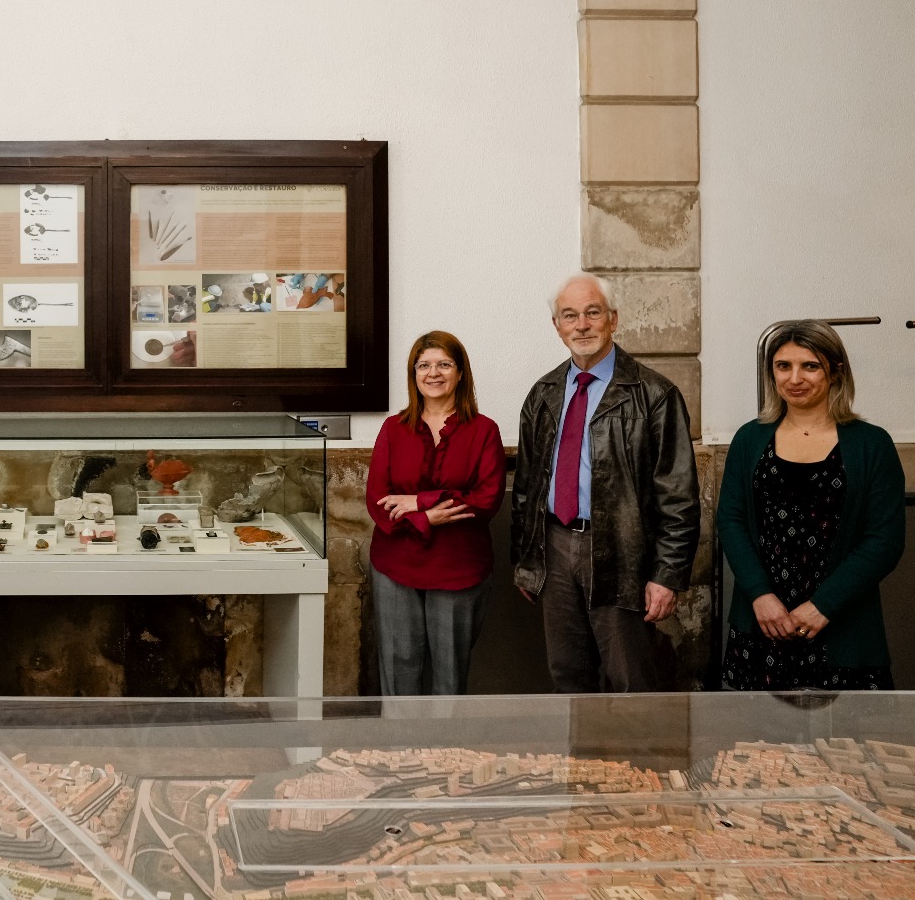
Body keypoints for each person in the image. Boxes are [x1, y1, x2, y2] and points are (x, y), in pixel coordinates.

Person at [510, 274, 699, 693]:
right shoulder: (542, 394)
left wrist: (667, 575)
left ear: (613, 319)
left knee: (629, 679)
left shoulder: (655, 394)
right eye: (570, 316)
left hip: (622, 553)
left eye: (592, 312)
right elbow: (526, 486)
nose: (582, 325)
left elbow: (679, 496)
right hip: (555, 550)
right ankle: (579, 762)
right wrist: (527, 563)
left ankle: (635, 761)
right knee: (567, 675)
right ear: (556, 326)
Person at [720, 321, 905, 690]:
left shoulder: (872, 444)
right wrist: (760, 594)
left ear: (836, 372)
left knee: (845, 745)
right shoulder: (749, 438)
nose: (795, 378)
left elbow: (884, 539)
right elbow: (731, 520)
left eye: (810, 365)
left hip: (842, 624)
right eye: (783, 366)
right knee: (758, 744)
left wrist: (824, 605)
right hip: (764, 623)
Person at [366, 331, 506, 695]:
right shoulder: (393, 429)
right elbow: (377, 501)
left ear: (461, 373)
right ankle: (400, 752)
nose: (434, 373)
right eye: (424, 365)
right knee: (399, 670)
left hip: (459, 569)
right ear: (413, 374)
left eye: (444, 364)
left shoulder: (485, 431)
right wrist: (428, 516)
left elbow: (486, 499)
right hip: (395, 566)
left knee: (450, 673)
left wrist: (417, 501)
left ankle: (445, 753)